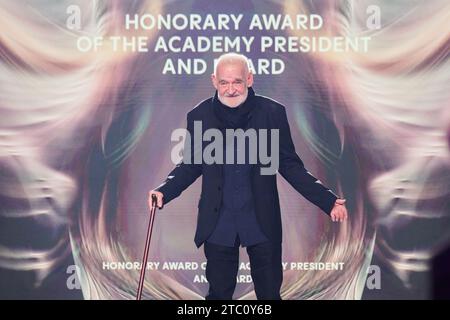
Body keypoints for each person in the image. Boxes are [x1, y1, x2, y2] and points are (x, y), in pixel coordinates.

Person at [149, 53, 348, 300]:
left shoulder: (272, 113)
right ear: (214, 81)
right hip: (218, 221)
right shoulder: (199, 116)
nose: (231, 89)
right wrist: (163, 191)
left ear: (250, 79)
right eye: (224, 82)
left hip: (261, 220)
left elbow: (289, 166)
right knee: (219, 295)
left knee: (268, 296)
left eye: (237, 82)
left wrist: (327, 200)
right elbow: (190, 165)